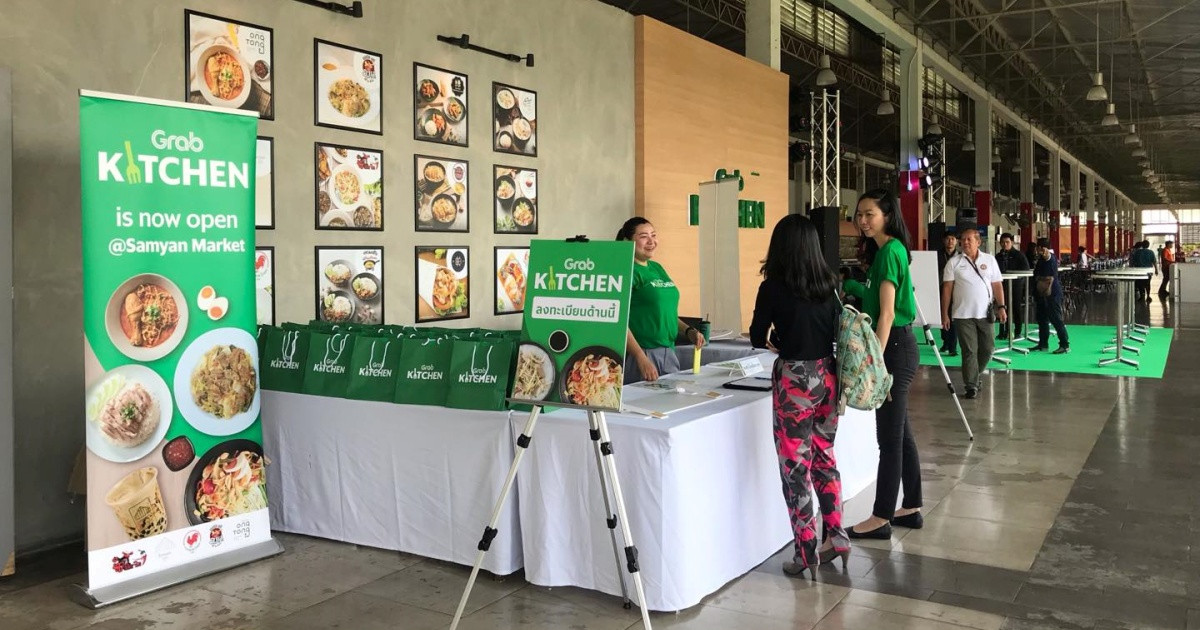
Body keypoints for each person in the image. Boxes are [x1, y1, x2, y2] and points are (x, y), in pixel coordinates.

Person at [750, 214, 847, 579]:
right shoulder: (830, 283)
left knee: (795, 468)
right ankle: (836, 535)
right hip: (829, 376)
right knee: (824, 457)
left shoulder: (773, 287)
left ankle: (805, 551)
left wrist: (777, 337)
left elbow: (758, 336)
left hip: (794, 380)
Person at [842, 189, 923, 540]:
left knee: (888, 439)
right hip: (898, 347)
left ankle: (881, 516)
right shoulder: (885, 253)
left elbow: (887, 314)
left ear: (887, 215)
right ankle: (912, 506)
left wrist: (873, 363)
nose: (862, 220)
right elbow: (878, 302)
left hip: (895, 349)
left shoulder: (890, 251)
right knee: (901, 434)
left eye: (870, 214)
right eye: (859, 214)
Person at [616, 218, 704, 383]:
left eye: (653, 235)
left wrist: (688, 331)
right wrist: (640, 357)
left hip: (668, 351)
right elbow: (618, 320)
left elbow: (664, 312)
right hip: (643, 354)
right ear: (628, 241)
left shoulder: (656, 268)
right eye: (644, 236)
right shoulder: (626, 271)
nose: (651, 241)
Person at [941, 228, 1007, 399]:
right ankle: (971, 386)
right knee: (969, 350)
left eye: (970, 239)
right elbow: (947, 290)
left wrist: (1001, 307)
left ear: (979, 242)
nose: (966, 242)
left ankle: (975, 377)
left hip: (985, 313)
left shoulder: (990, 260)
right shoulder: (953, 263)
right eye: (963, 239)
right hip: (962, 315)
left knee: (988, 348)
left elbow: (997, 285)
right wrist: (944, 314)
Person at [1033, 238, 1070, 354]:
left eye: (1038, 247)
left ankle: (1065, 344)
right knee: (1042, 318)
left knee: (1056, 319)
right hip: (1042, 293)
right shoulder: (1042, 258)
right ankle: (1043, 343)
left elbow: (1048, 258)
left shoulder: (1050, 257)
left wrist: (1046, 255)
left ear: (1041, 248)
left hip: (1052, 294)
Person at [994, 233, 1029, 339]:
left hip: (1016, 286)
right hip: (1002, 285)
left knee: (1015, 308)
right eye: (1003, 242)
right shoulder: (998, 256)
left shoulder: (1019, 255)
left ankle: (1017, 331)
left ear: (1012, 242)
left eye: (1007, 242)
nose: (1005, 244)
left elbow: (1026, 270)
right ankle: (1002, 331)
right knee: (1001, 306)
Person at [936, 232, 959, 356]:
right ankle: (945, 341)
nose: (950, 241)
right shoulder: (937, 255)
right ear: (944, 241)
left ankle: (953, 346)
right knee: (942, 315)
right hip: (940, 288)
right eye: (948, 239)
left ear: (956, 241)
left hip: (956, 289)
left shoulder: (960, 256)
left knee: (953, 316)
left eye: (953, 238)